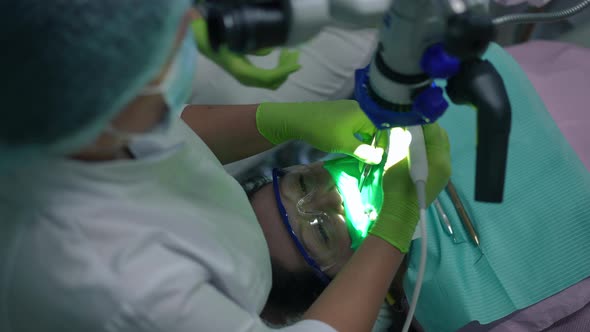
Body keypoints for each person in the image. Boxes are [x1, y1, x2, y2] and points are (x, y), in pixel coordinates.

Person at [0, 1, 451, 332]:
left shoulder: (72, 118)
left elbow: (161, 137)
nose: (196, 25)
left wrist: (280, 120)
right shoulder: (125, 284)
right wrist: (394, 227)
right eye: (173, 45)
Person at [233, 42, 590, 331]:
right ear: (343, 286)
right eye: (322, 230)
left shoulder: (378, 114)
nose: (329, 194)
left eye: (304, 182)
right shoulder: (473, 306)